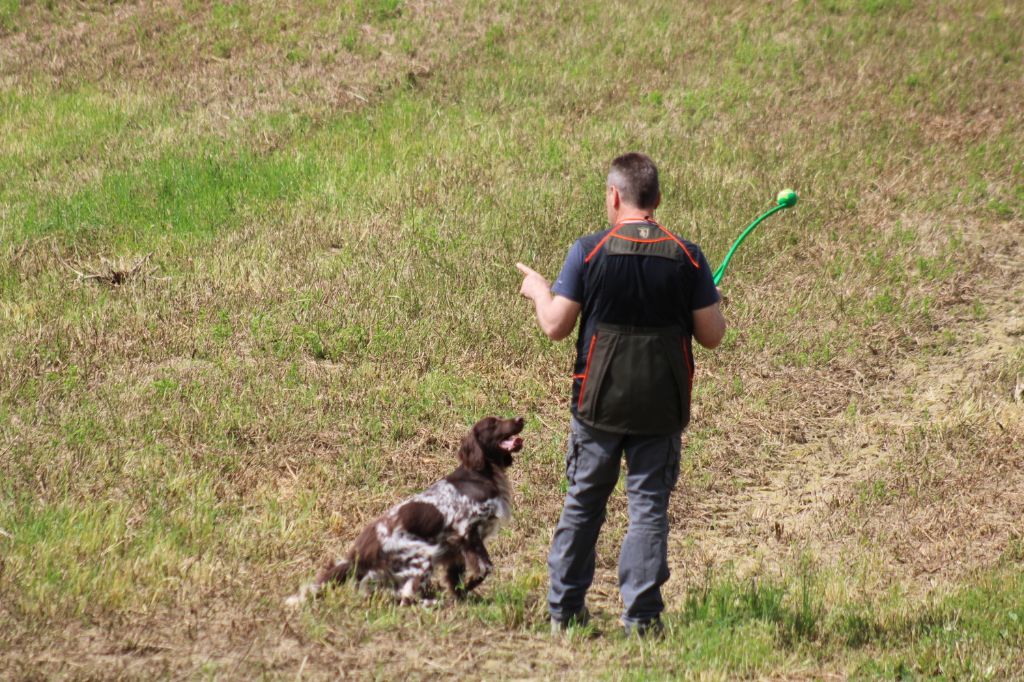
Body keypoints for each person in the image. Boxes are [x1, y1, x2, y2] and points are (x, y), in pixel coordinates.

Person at [515, 152, 726, 636]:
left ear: (614, 195)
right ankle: (643, 620)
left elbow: (555, 325)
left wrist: (538, 289)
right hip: (661, 407)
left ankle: (564, 613)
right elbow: (712, 335)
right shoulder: (688, 255)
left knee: (585, 500)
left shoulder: (589, 250)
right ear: (657, 199)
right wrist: (712, 300)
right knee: (648, 506)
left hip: (599, 403)